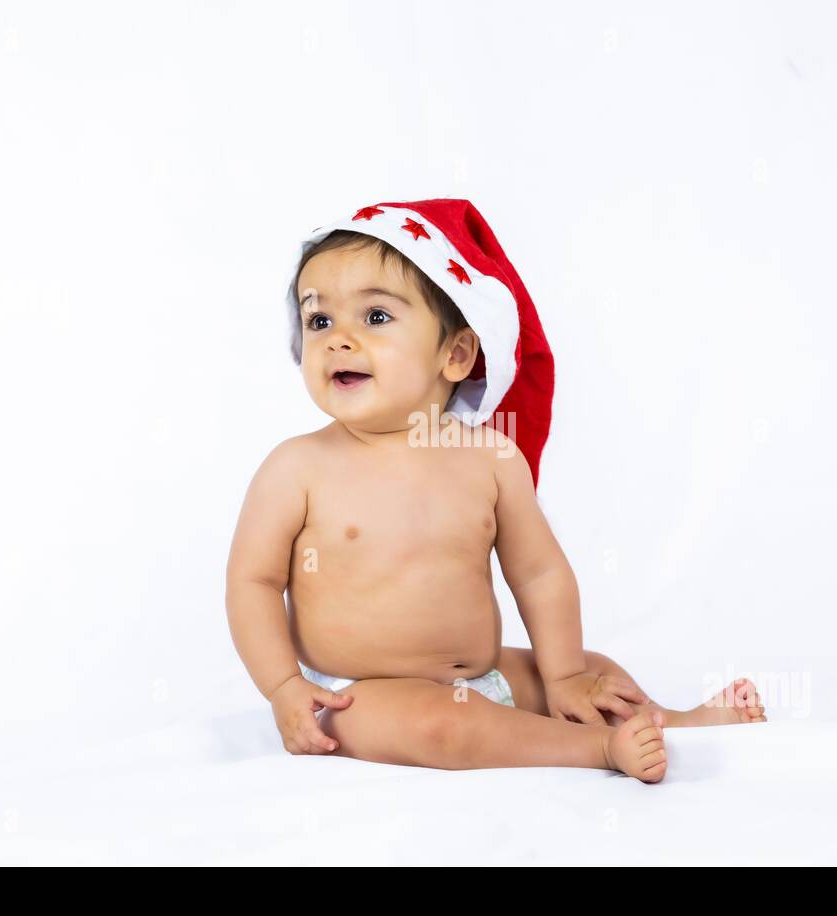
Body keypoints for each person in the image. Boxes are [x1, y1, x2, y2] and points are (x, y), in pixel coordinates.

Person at [225, 199, 765, 783]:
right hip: (357, 697)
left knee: (591, 669)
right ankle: (598, 751)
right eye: (319, 321)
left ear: (455, 353)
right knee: (444, 726)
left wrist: (562, 678)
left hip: (485, 674)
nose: (338, 340)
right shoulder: (297, 467)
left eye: (375, 317)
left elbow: (539, 574)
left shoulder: (491, 458)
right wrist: (284, 687)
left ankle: (671, 721)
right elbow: (252, 581)